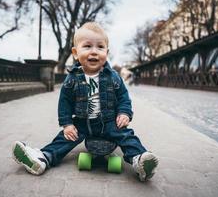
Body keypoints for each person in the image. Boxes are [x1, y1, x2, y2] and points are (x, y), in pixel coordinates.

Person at [12, 22, 158, 181]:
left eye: (100, 47)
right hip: (83, 123)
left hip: (109, 121)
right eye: (87, 46)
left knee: (126, 136)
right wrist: (67, 124)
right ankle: (43, 158)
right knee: (64, 139)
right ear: (75, 52)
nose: (94, 52)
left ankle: (139, 160)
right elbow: (65, 102)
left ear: (106, 52)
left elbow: (123, 96)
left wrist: (124, 113)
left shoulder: (113, 76)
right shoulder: (72, 78)